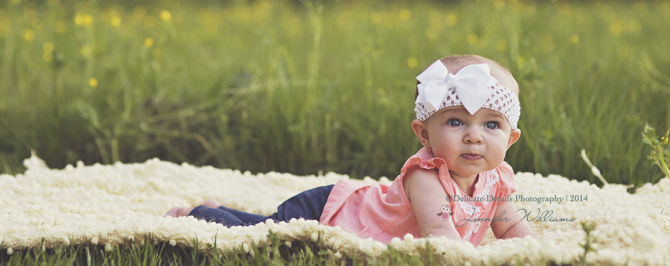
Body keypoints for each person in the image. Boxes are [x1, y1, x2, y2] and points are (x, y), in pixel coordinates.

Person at [166, 54, 534, 245]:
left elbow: (512, 227)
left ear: (510, 137)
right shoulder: (427, 176)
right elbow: (441, 237)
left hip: (345, 206)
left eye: (491, 125)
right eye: (455, 122)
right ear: (423, 134)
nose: (474, 136)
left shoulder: (497, 179)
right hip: (330, 210)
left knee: (262, 225)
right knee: (261, 236)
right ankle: (199, 215)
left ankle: (223, 210)